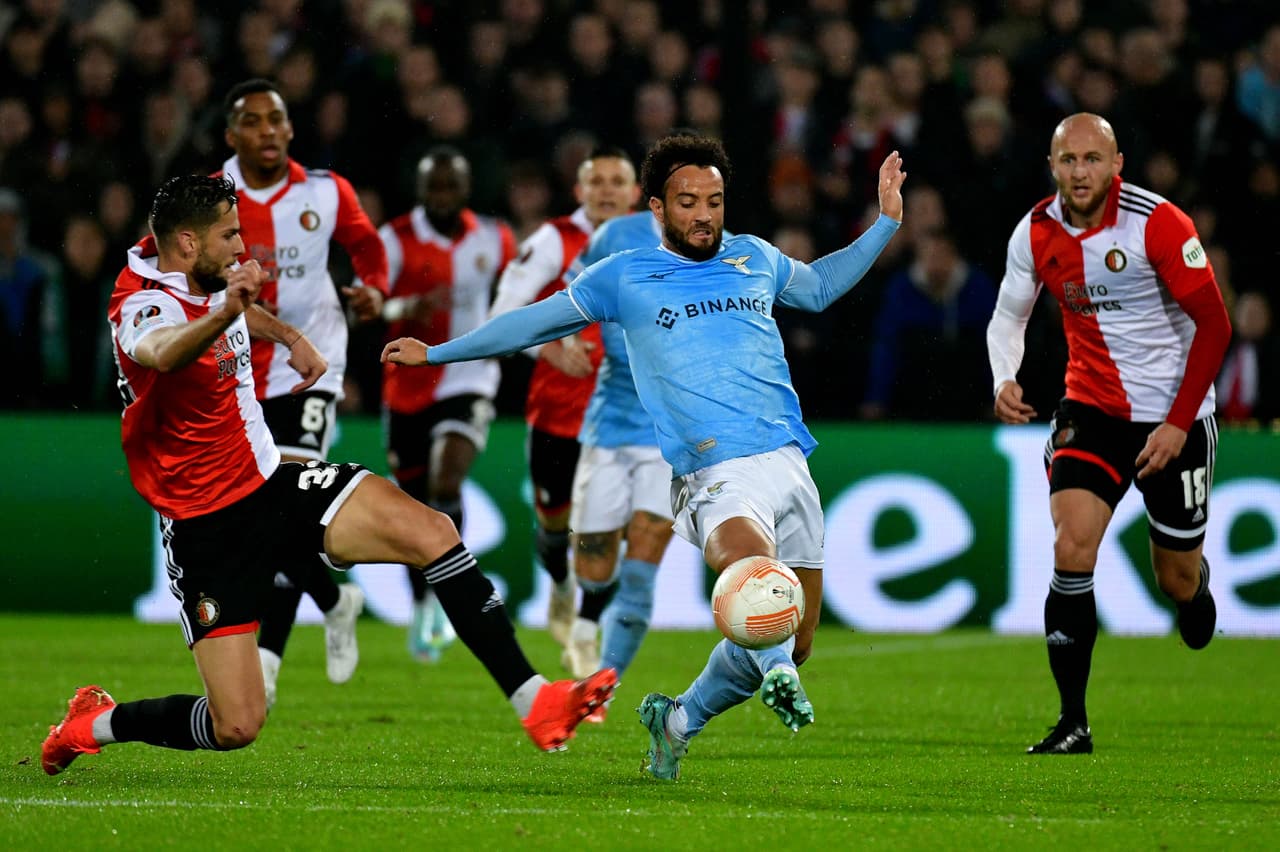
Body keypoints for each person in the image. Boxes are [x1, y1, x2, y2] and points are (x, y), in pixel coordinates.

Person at [40, 175, 616, 775]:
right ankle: (94, 724)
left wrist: (287, 334)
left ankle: (537, 701)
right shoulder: (141, 304)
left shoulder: (198, 270)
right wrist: (232, 308)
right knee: (235, 725)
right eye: (231, 235)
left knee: (431, 532)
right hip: (204, 526)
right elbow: (166, 350)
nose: (243, 247)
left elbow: (223, 303)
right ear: (187, 243)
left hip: (272, 482)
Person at [383, 134, 906, 780]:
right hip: (713, 471)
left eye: (714, 201)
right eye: (689, 202)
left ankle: (678, 719)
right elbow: (532, 322)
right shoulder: (623, 276)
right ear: (656, 207)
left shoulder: (754, 257)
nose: (704, 215)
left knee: (794, 640)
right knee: (753, 576)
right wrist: (436, 354)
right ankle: (773, 675)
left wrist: (885, 223)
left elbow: (822, 287)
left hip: (790, 462)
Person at [986, 113, 1231, 755]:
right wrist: (1002, 379)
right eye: (1069, 160)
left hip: (1174, 417)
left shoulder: (1159, 223)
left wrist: (1179, 423)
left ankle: (1195, 587)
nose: (1081, 172)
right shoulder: (1035, 231)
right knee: (1072, 546)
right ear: (1053, 166)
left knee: (1174, 582)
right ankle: (1073, 721)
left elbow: (1215, 325)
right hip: (1090, 410)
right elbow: (1008, 317)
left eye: (1093, 160)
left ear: (1117, 164)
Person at [218, 78, 389, 708]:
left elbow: (367, 246)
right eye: (252, 121)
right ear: (232, 135)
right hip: (236, 368)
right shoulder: (215, 198)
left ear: (290, 129)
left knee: (286, 500)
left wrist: (372, 285)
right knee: (261, 515)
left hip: (311, 365)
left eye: (276, 119)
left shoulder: (325, 190)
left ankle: (266, 660)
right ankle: (334, 596)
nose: (267, 130)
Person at [487, 145, 641, 668]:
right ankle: (558, 583)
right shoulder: (556, 239)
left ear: (636, 193)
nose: (605, 191)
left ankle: (586, 627)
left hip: (625, 417)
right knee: (555, 529)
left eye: (616, 182)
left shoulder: (655, 244)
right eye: (595, 182)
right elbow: (503, 310)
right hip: (557, 412)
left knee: (610, 532)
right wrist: (549, 345)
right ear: (579, 192)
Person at [378, 147, 516, 661]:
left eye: (449, 187)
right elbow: (363, 305)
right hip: (407, 387)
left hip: (470, 378)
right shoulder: (394, 240)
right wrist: (401, 307)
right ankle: (422, 606)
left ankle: (449, 603)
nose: (441, 197)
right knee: (414, 508)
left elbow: (520, 289)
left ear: (464, 189)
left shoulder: (493, 238)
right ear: (420, 191)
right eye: (432, 188)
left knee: (446, 481)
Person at [560, 208, 672, 690]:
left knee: (644, 561)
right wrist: (564, 343)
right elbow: (568, 294)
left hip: (671, 432)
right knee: (594, 563)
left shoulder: (727, 250)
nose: (700, 210)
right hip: (611, 423)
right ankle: (585, 618)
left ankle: (603, 684)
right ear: (660, 201)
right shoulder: (617, 237)